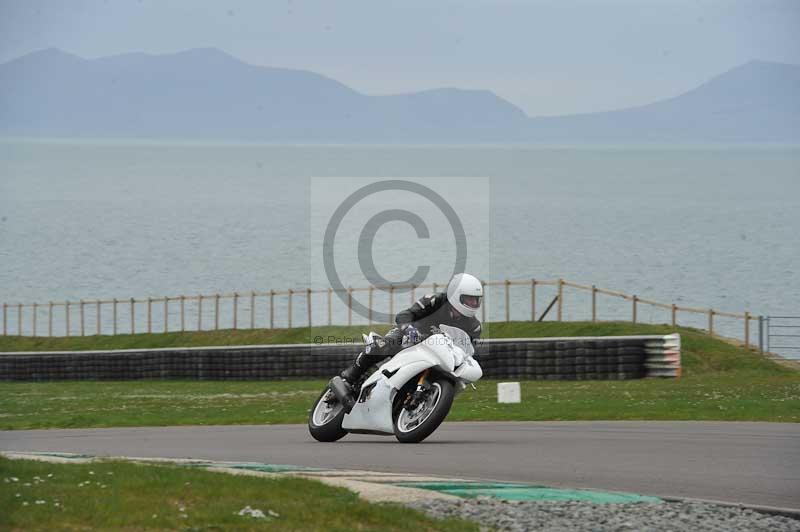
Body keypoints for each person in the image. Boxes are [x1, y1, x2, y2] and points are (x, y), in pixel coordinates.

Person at [340, 273, 483, 385]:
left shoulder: (474, 327)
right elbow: (404, 315)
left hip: (439, 353)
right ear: (455, 294)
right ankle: (350, 377)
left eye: (476, 300)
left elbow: (467, 351)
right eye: (469, 299)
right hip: (411, 335)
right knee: (383, 346)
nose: (473, 303)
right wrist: (409, 328)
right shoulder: (434, 301)